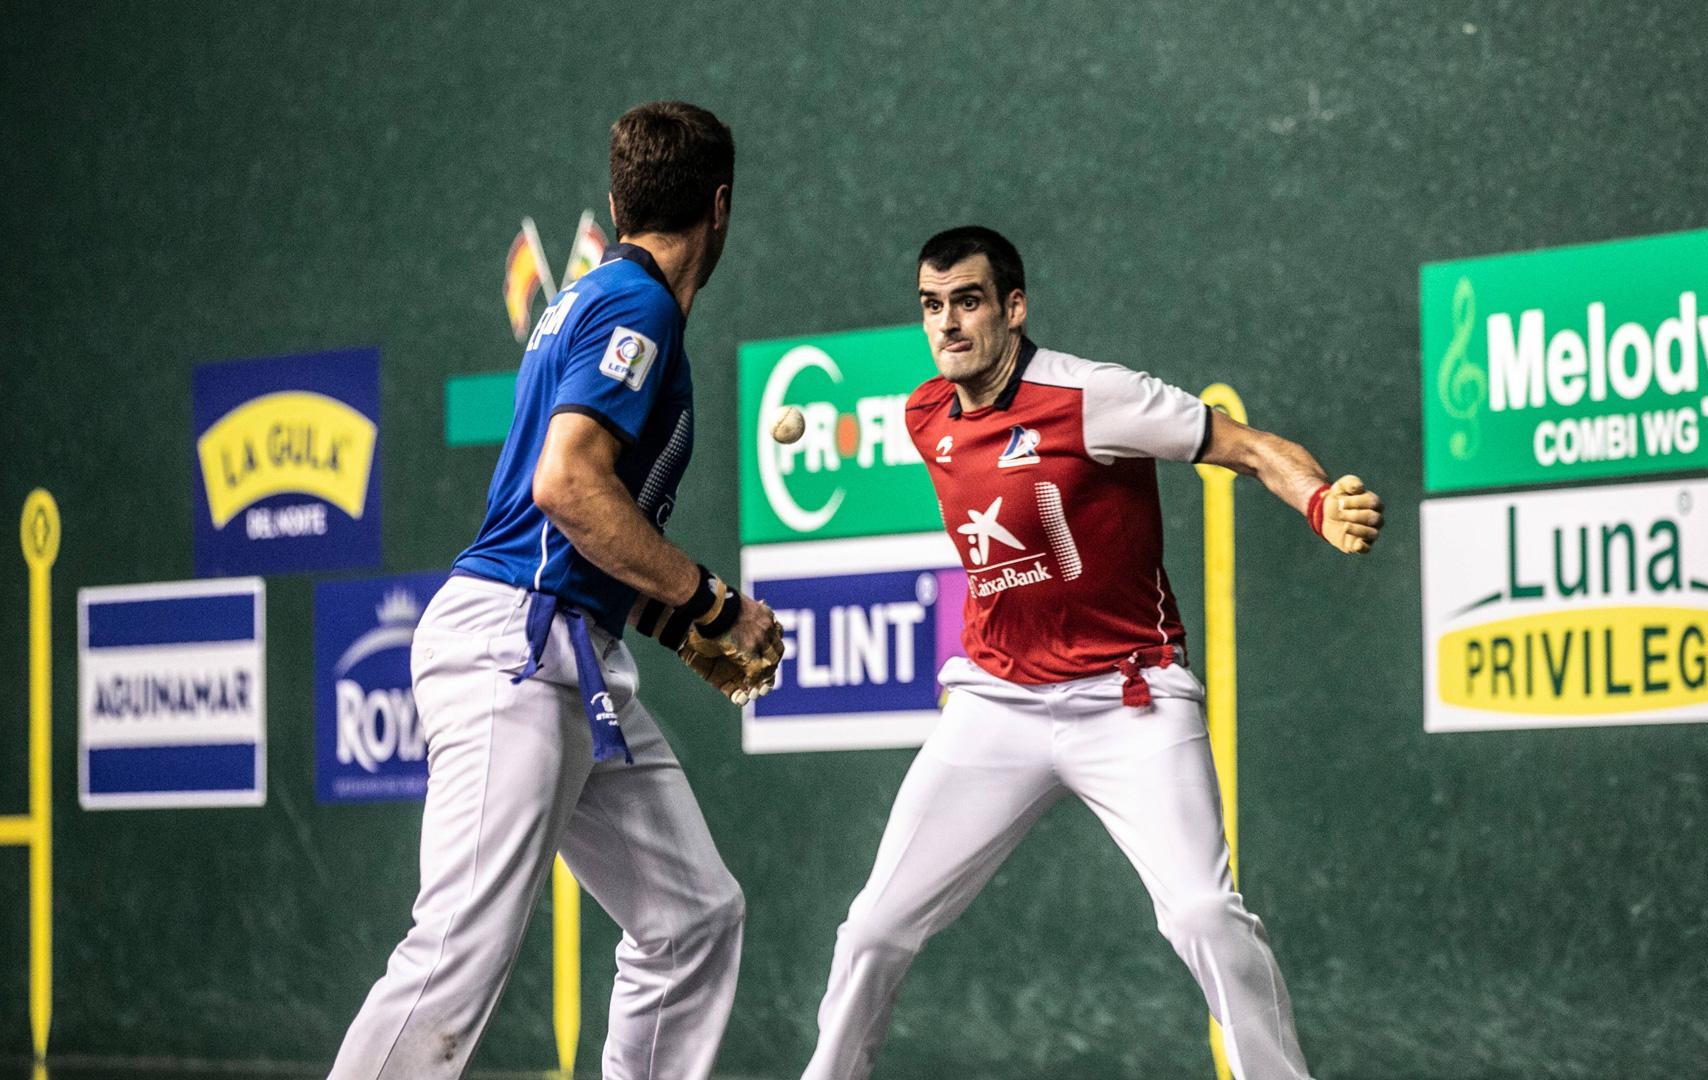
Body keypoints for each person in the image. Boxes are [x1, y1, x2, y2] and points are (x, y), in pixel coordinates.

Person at [800, 226, 1382, 1080]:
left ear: (1013, 307)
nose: (948, 324)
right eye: (932, 307)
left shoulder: (1094, 397)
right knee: (874, 930)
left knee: (1202, 916)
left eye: (967, 302)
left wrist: (1318, 498)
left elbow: (1247, 447)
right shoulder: (925, 415)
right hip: (996, 705)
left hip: (1130, 699)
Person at [329, 101, 782, 1080]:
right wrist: (710, 602)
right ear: (721, 207)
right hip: (517, 653)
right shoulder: (638, 305)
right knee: (456, 950)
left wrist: (688, 624)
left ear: (619, 202)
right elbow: (568, 485)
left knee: (692, 916)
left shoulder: (588, 300)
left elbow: (585, 530)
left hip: (570, 652)